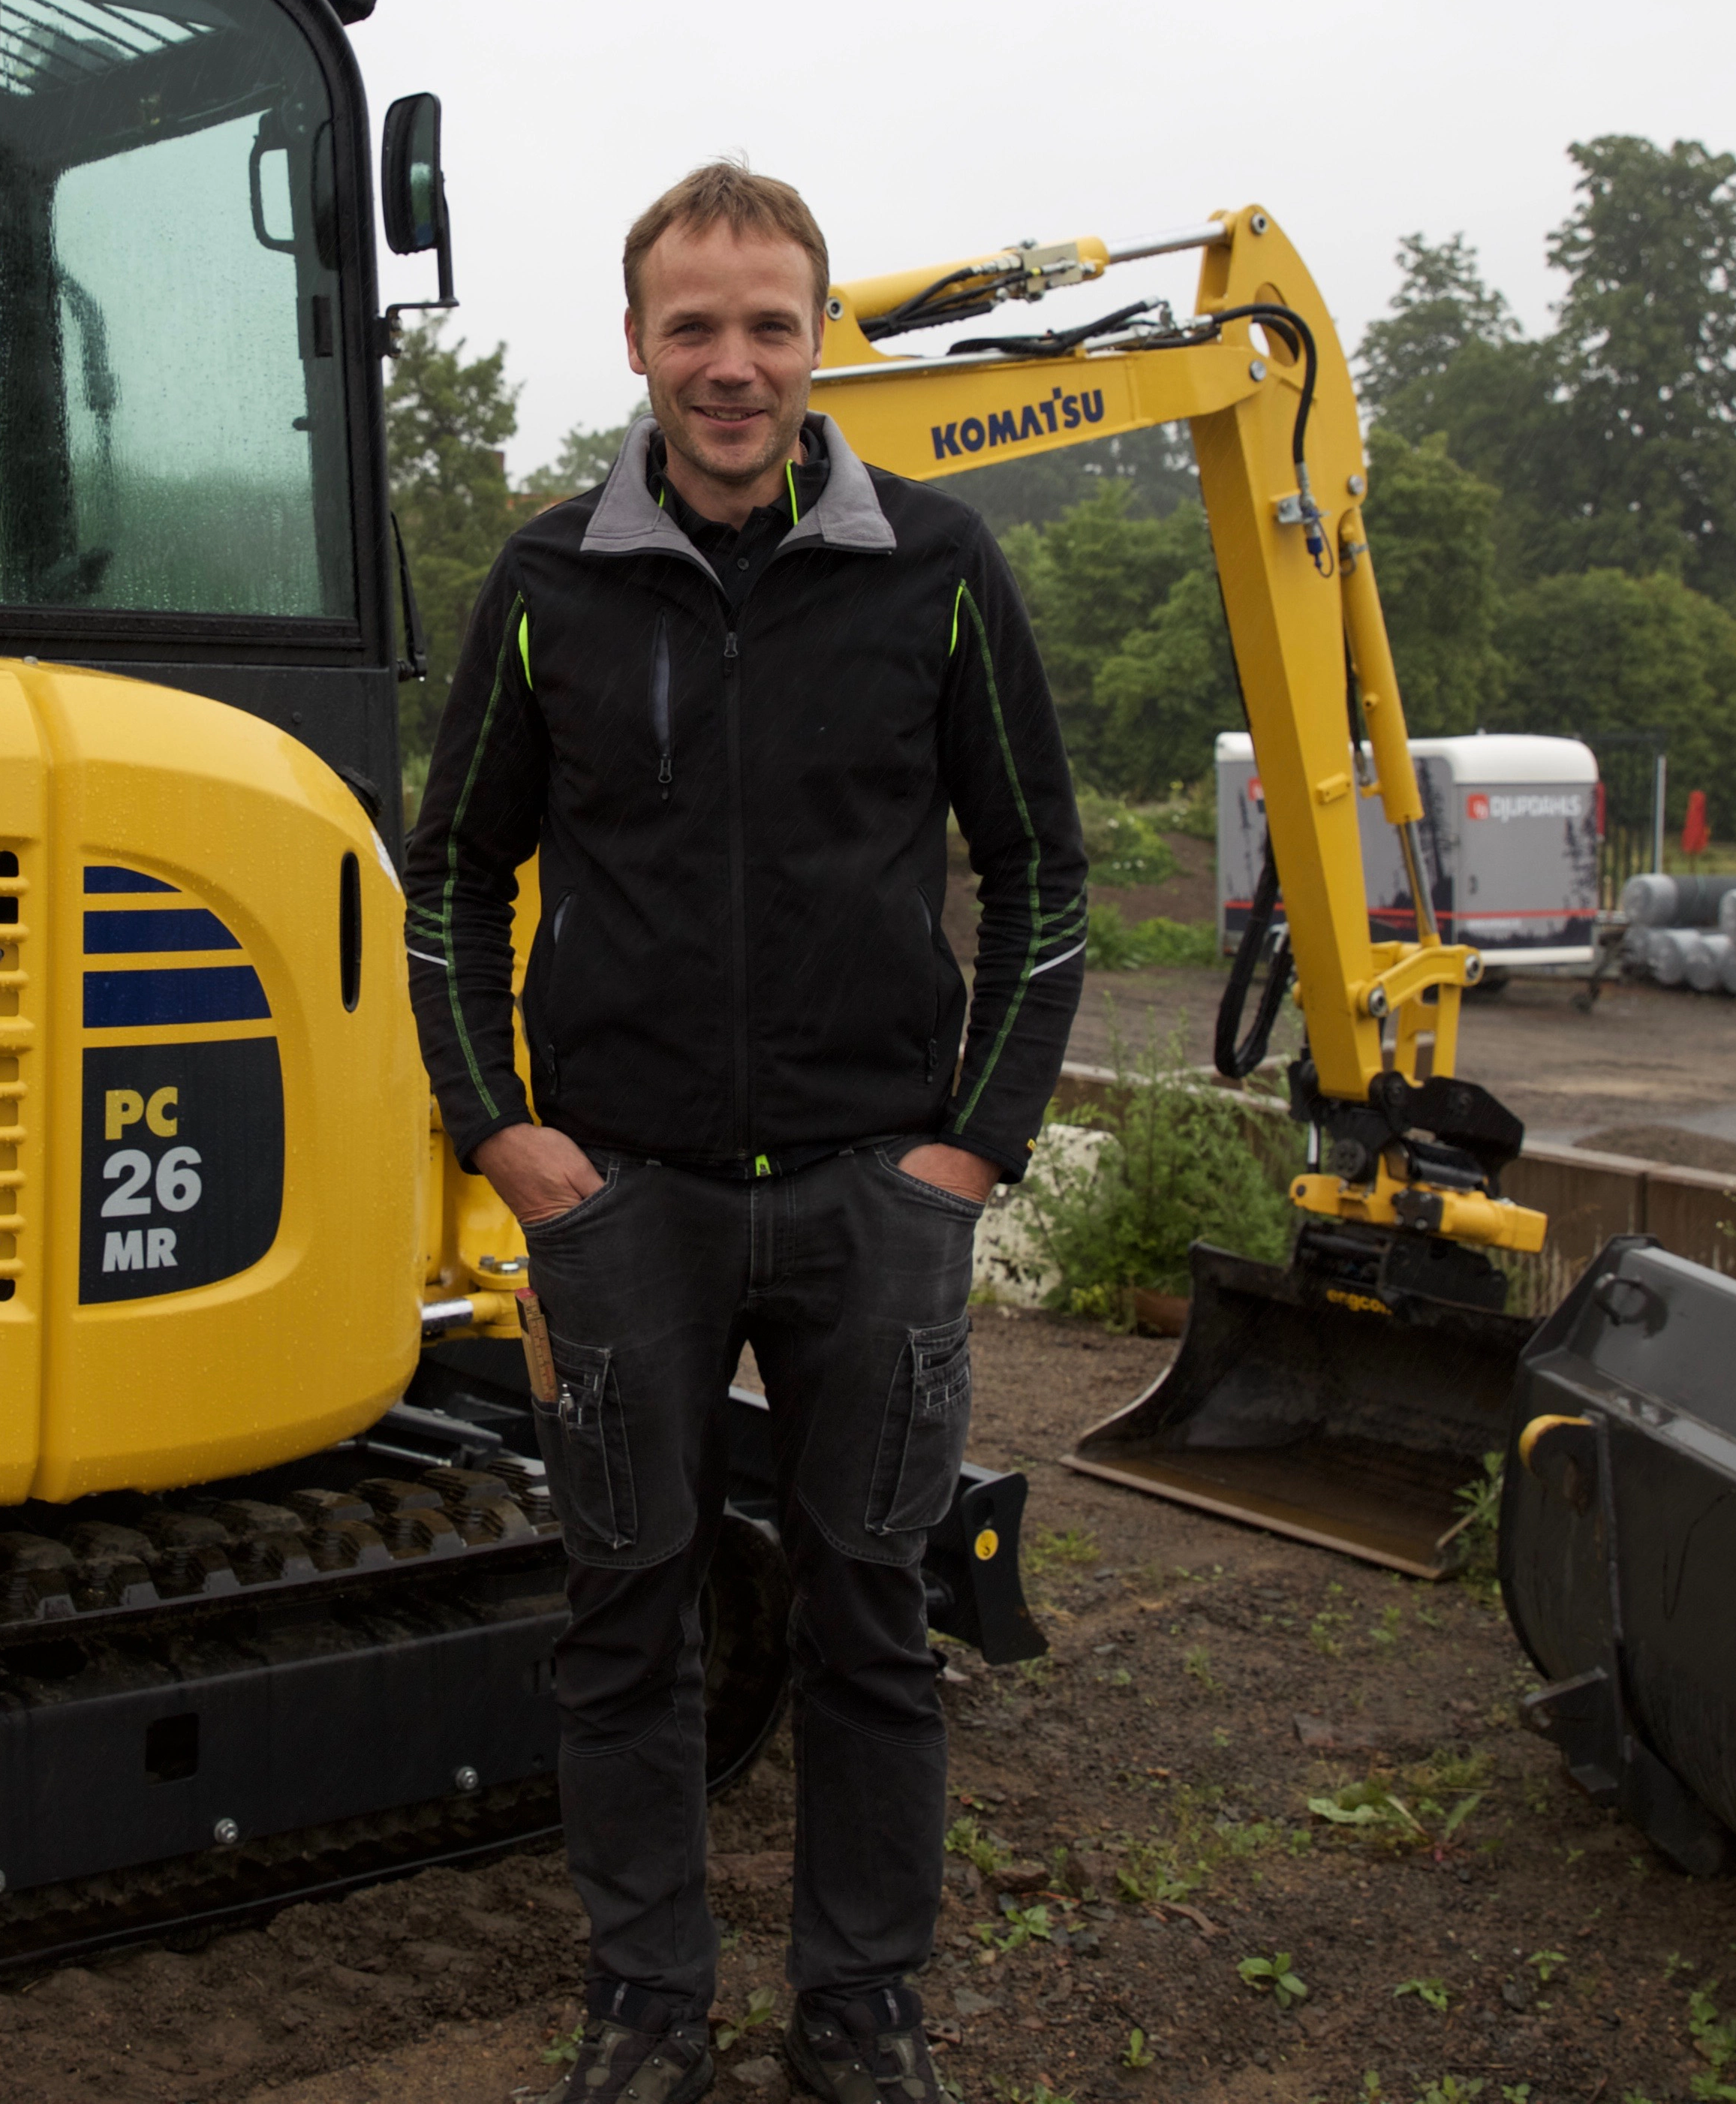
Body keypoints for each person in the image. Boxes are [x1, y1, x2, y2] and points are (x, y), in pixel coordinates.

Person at [405, 162, 1091, 2104]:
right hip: (629, 1204)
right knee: (629, 1620)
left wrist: (972, 1153)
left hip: (876, 1199)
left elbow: (1041, 874)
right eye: (692, 327)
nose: (732, 365)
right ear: (636, 342)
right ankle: (647, 2005)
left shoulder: (936, 575)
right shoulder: (550, 585)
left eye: (769, 325)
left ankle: (861, 2007)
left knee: (873, 1615)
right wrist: (503, 1136)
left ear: (817, 342)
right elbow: (452, 879)